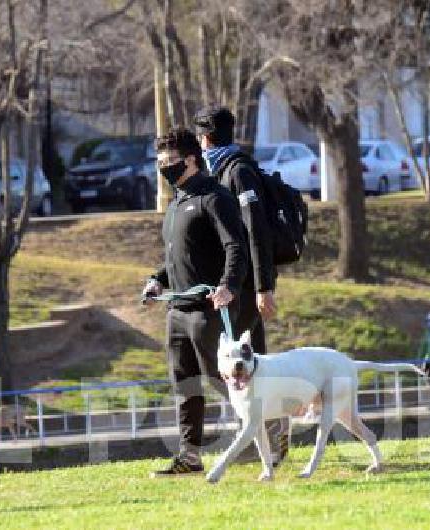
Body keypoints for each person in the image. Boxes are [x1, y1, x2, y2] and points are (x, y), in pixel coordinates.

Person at [142, 128, 247, 476]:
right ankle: (190, 456)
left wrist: (228, 286)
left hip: (208, 311)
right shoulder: (176, 202)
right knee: (184, 384)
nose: (163, 168)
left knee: (225, 381)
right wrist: (158, 280)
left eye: (168, 162)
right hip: (177, 312)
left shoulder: (214, 198)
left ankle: (260, 436)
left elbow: (236, 247)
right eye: (159, 162)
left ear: (190, 159)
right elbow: (178, 258)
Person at [193, 105, 287, 461]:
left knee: (246, 362)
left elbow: (257, 232)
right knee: (244, 363)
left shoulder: (238, 172)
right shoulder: (217, 170)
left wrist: (264, 286)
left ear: (205, 138)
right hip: (230, 283)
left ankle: (267, 436)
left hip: (245, 286)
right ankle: (262, 436)